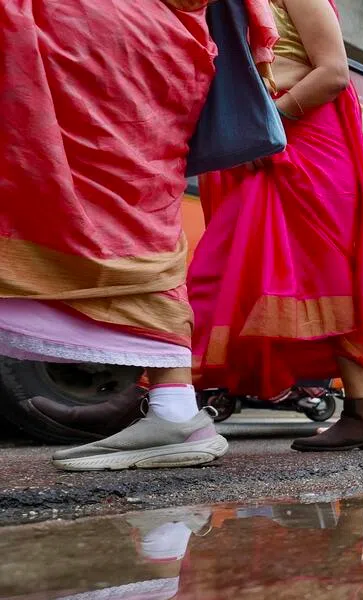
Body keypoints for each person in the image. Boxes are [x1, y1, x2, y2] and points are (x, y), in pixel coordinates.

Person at [0, 0, 271, 469]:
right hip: (170, 44)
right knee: (140, 208)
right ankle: (175, 410)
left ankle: (177, 413)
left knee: (60, 182)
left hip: (96, 27)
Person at [188, 0, 363, 454]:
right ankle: (168, 400)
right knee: (223, 269)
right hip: (262, 145)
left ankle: (361, 411)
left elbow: (333, 72)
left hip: (306, 143)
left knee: (328, 273)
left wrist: (271, 123)